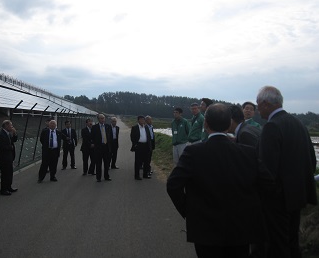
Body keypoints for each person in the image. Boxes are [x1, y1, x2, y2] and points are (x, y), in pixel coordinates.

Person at [167, 104, 274, 258]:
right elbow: (268, 184)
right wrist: (251, 209)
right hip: (241, 229)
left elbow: (173, 185)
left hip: (205, 230)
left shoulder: (193, 152)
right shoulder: (248, 152)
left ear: (205, 124)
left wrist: (189, 212)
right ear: (229, 124)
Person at [256, 86, 317, 258]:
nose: (257, 108)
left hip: (277, 201)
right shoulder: (298, 123)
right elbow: (311, 161)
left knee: (277, 245)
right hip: (298, 196)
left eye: (258, 104)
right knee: (292, 241)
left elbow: (266, 170)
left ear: (266, 104)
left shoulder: (271, 127)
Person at [0, 120, 18, 196]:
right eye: (11, 126)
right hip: (3, 158)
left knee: (9, 173)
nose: (12, 127)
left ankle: (9, 187)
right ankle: (3, 189)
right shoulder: (1, 134)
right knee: (5, 174)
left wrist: (14, 133)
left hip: (9, 157)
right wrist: (10, 147)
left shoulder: (8, 133)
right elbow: (2, 146)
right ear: (6, 126)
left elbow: (14, 140)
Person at [91, 114, 112, 182]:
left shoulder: (108, 126)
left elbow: (110, 137)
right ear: (98, 119)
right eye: (101, 118)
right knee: (98, 163)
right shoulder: (94, 127)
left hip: (106, 147)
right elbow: (92, 137)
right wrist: (94, 144)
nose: (103, 119)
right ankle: (98, 177)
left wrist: (110, 146)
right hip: (98, 148)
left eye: (103, 118)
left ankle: (106, 176)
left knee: (106, 163)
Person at [130, 116, 152, 180]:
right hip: (139, 146)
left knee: (146, 161)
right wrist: (135, 144)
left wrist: (149, 145)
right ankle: (137, 175)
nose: (142, 121)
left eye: (143, 119)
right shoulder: (135, 128)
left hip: (146, 146)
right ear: (138, 120)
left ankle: (145, 174)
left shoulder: (146, 127)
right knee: (138, 161)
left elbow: (149, 136)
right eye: (141, 119)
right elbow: (132, 137)